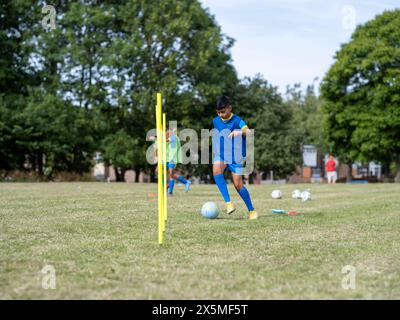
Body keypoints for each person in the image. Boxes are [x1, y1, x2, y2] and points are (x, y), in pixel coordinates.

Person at [211, 95, 258, 220]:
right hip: (221, 154)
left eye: (223, 111)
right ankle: (228, 203)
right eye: (218, 112)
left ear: (229, 108)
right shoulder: (215, 121)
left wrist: (239, 132)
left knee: (238, 185)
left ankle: (252, 210)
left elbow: (249, 132)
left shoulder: (238, 120)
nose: (221, 114)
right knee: (216, 170)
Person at [166, 129, 191, 195]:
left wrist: (156, 138)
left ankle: (170, 190)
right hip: (169, 158)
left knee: (171, 174)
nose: (167, 134)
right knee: (171, 174)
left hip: (173, 159)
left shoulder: (174, 137)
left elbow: (165, 140)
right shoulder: (173, 137)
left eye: (168, 132)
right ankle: (170, 190)